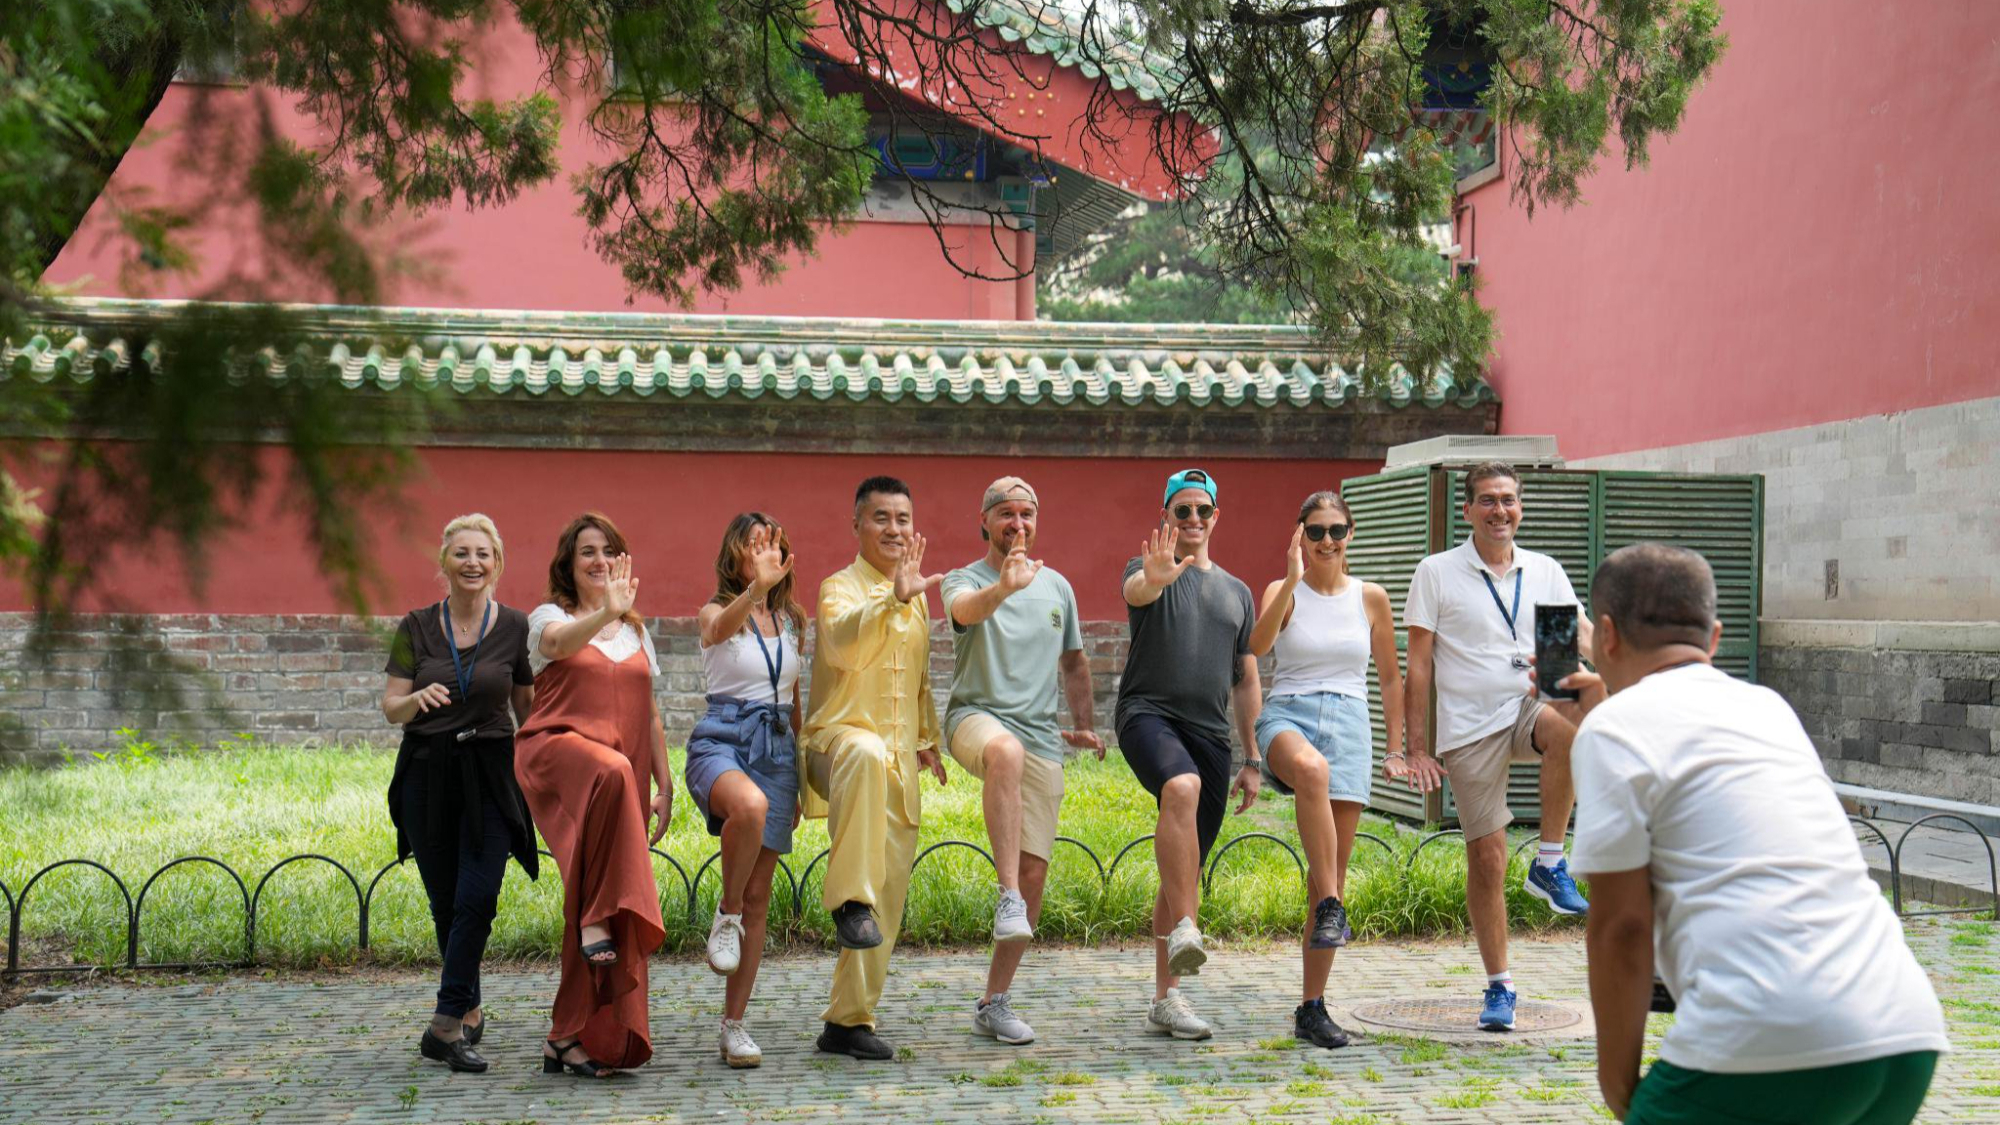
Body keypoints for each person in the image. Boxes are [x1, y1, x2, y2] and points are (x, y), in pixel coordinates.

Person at [1562, 544, 1948, 1124]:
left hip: (1768, 1033)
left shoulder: (1614, 728)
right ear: (1713, 638)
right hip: (1902, 1030)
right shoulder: (1768, 708)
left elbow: (1622, 926)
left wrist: (1618, 1087)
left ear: (1607, 635)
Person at [1400, 461, 1591, 1032]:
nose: (1499, 510)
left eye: (1508, 499)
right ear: (1467, 510)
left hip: (1528, 703)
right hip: (1469, 726)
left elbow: (1567, 648)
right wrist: (1416, 748)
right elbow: (1419, 665)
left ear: (1520, 508)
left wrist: (1631, 659)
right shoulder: (1436, 571)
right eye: (1487, 500)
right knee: (1487, 859)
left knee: (1571, 725)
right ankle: (1500, 985)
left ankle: (1551, 862)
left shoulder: (1545, 570)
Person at [939, 476, 1099, 1046]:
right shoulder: (963, 579)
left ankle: (994, 1002)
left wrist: (1083, 723)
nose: (1017, 523)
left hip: (1041, 738)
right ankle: (1005, 895)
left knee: (1035, 873)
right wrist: (1004, 588)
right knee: (1003, 751)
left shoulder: (1057, 586)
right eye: (1005, 513)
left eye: (1026, 513)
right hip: (974, 719)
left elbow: (1074, 661)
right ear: (984, 521)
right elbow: (965, 611)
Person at [514, 512, 672, 1077]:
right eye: (587, 551)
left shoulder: (636, 632)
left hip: (621, 783)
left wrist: (665, 783)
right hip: (560, 758)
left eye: (609, 551)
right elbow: (558, 646)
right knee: (610, 769)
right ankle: (595, 920)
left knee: (597, 904)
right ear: (569, 564)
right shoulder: (549, 618)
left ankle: (568, 1036)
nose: (600, 560)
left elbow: (649, 714)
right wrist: (605, 610)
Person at [382, 514, 540, 1074]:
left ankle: (444, 1025)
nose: (473, 563)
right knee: (447, 904)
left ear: (497, 564)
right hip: (427, 772)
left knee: (478, 897)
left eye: (483, 554)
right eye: (462, 553)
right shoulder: (416, 626)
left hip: (491, 771)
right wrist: (415, 698)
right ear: (444, 563)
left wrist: (548, 763)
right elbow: (391, 706)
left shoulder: (515, 627)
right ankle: (468, 1010)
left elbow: (527, 710)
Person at [1246, 491, 1403, 1049]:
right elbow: (1256, 646)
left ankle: (1311, 1008)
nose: (1327, 541)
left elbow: (1390, 678)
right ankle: (1336, 906)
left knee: (1324, 874)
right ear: (1300, 536)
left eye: (1336, 530)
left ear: (1350, 534)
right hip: (1288, 715)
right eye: (1316, 531)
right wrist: (1292, 578)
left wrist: (1396, 748)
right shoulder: (1282, 589)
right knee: (1310, 771)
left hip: (1351, 726)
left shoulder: (1371, 597)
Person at [800, 476, 945, 1060]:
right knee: (862, 751)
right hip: (835, 749)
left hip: (896, 765)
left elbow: (919, 678)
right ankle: (847, 901)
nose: (894, 528)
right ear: (856, 525)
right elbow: (843, 645)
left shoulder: (919, 598)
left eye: (902, 518)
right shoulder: (839, 588)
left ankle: (847, 1022)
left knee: (888, 895)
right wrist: (892, 599)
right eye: (881, 517)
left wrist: (926, 738)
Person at [1116, 467, 1261, 1041]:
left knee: (1184, 865)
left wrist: (1251, 756)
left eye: (1203, 510)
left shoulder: (1238, 592)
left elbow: (1244, 680)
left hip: (1210, 734)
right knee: (1181, 787)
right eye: (1183, 510)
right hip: (1146, 714)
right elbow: (1137, 591)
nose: (1193, 519)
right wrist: (1153, 579)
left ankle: (1166, 999)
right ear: (1167, 517)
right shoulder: (1146, 567)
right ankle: (1186, 925)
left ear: (1215, 517)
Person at [686, 513, 805, 1068]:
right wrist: (754, 590)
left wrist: (798, 778)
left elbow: (794, 700)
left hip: (777, 747)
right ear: (734, 553)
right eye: (753, 544)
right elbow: (716, 632)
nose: (763, 552)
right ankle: (725, 913)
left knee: (762, 896)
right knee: (748, 807)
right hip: (724, 737)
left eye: (771, 544)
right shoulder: (716, 609)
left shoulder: (791, 620)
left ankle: (733, 1026)